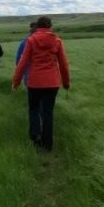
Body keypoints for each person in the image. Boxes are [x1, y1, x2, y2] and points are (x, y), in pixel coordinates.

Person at [12, 16, 71, 152]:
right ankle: (48, 143)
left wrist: (16, 82)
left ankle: (35, 137)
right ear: (50, 26)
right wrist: (66, 83)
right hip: (52, 82)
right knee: (48, 112)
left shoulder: (31, 40)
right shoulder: (57, 41)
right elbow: (63, 65)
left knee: (33, 110)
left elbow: (22, 63)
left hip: (34, 82)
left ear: (37, 27)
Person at [15, 21, 37, 86]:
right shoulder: (47, 42)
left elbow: (18, 60)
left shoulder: (24, 42)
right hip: (46, 76)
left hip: (29, 73)